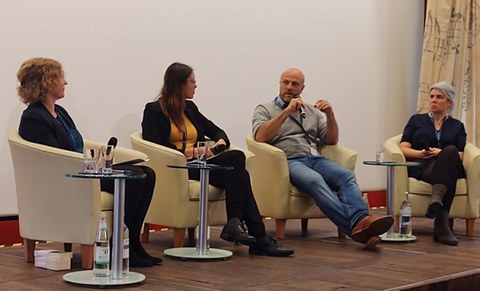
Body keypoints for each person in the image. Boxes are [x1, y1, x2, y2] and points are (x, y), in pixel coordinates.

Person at [16, 57, 162, 267]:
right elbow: (55, 158)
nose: (65, 82)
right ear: (47, 82)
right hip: (68, 180)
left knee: (147, 173)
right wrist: (91, 165)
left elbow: (77, 145)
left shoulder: (61, 112)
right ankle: (117, 245)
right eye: (60, 77)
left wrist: (99, 161)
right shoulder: (33, 118)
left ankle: (131, 243)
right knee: (135, 179)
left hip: (84, 171)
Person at [141, 62, 294, 257]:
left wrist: (220, 142)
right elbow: (156, 145)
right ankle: (256, 236)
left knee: (238, 171)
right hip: (178, 168)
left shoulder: (189, 108)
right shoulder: (154, 110)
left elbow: (215, 130)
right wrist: (193, 153)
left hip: (202, 164)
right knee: (238, 166)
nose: (196, 86)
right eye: (192, 82)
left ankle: (241, 227)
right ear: (179, 84)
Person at [252, 68, 394, 249]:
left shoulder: (311, 111)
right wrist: (286, 112)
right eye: (285, 82)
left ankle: (361, 221)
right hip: (289, 161)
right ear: (279, 84)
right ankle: (356, 228)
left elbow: (331, 139)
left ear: (302, 87)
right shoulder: (265, 109)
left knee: (346, 176)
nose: (289, 87)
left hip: (314, 159)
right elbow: (260, 137)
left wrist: (330, 114)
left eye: (295, 84)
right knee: (315, 180)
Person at [399, 81, 466, 246]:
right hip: (423, 165)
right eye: (432, 96)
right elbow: (403, 147)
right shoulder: (416, 120)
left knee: (449, 152)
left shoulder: (457, 126)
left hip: (447, 163)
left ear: (449, 102)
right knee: (451, 173)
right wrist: (420, 153)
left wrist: (441, 153)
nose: (433, 100)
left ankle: (437, 201)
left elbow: (461, 154)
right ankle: (441, 226)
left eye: (439, 97)